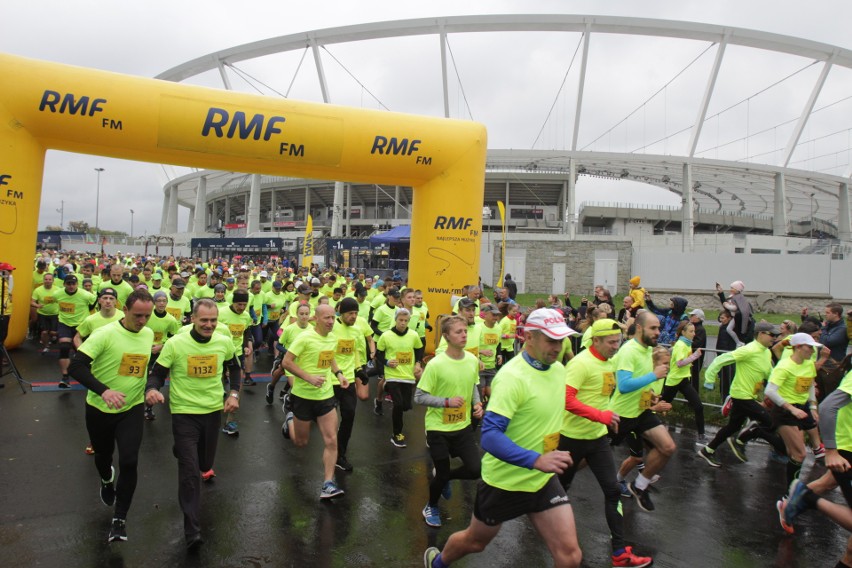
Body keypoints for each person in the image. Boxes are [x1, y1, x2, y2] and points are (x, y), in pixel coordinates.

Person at [423, 308, 582, 568]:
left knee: (570, 555)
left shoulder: (558, 370)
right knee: (475, 542)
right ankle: (438, 562)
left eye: (561, 340)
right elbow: (490, 438)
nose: (558, 347)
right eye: (551, 340)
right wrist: (536, 459)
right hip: (504, 482)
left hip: (542, 480)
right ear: (529, 337)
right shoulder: (511, 378)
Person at [144, 297, 241, 551]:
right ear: (193, 319)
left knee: (205, 464)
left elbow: (234, 366)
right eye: (204, 320)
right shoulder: (176, 344)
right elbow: (157, 373)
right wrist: (152, 389)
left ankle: (181, 450)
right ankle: (192, 529)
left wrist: (234, 393)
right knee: (190, 473)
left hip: (212, 411)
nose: (209, 325)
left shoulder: (223, 341)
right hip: (184, 413)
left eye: (213, 320)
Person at [560, 318, 653, 567]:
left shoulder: (611, 362)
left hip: (597, 438)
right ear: (596, 340)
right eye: (611, 342)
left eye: (618, 341)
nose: (615, 346)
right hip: (571, 438)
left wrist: (609, 415)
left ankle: (619, 552)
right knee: (558, 492)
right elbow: (566, 399)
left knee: (612, 491)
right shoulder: (580, 363)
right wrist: (599, 415)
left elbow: (604, 395)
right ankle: (549, 531)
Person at [67, 289, 155, 543]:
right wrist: (103, 391)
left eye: (147, 316)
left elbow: (141, 366)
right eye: (137, 315)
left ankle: (120, 519)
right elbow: (76, 366)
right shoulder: (104, 334)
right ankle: (107, 480)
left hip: (132, 407)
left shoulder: (148, 334)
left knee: (129, 461)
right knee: (103, 456)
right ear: (124, 310)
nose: (142, 321)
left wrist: (149, 388)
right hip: (99, 408)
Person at [415, 315, 483, 528]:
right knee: (441, 473)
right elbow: (419, 397)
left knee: (476, 470)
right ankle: (431, 506)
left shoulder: (472, 360)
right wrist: (446, 402)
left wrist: (477, 403)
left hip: (462, 426)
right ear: (446, 336)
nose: (464, 335)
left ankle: (445, 478)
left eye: (465, 331)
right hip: (438, 429)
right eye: (458, 332)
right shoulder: (436, 365)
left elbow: (473, 385)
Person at [778, 371, 852, 559]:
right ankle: (807, 498)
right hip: (847, 450)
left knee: (826, 483)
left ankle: (791, 503)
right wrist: (831, 451)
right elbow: (828, 407)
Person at [609, 312, 675, 512]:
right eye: (653, 328)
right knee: (586, 456)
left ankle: (640, 486)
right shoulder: (629, 351)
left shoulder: (648, 350)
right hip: (622, 415)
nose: (658, 332)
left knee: (668, 447)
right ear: (639, 328)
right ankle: (558, 480)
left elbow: (641, 382)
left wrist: (652, 396)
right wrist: (653, 375)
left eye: (658, 328)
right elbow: (624, 386)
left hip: (641, 412)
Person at [281, 304, 348, 499]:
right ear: (315, 319)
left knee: (331, 439)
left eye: (333, 318)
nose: (330, 321)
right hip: (303, 396)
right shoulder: (304, 338)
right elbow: (286, 362)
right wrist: (308, 377)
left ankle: (328, 483)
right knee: (301, 442)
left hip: (325, 396)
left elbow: (330, 357)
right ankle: (290, 419)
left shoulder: (333, 337)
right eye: (326, 318)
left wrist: (339, 373)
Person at [697, 322, 785, 467]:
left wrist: (778, 389)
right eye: (772, 335)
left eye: (776, 335)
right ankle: (742, 438)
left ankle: (708, 450)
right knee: (769, 422)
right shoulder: (749, 350)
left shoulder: (766, 352)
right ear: (761, 334)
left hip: (750, 396)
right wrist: (709, 378)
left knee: (732, 427)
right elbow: (721, 359)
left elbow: (770, 374)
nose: (774, 338)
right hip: (741, 395)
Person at [764, 332, 823, 491]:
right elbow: (770, 391)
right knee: (800, 454)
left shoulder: (809, 363)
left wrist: (812, 407)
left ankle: (790, 490)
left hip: (803, 407)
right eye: (809, 347)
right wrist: (791, 409)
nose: (812, 351)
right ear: (797, 347)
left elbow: (810, 384)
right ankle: (791, 493)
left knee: (793, 453)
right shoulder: (784, 366)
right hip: (785, 410)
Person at [377, 308, 424, 447]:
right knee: (397, 404)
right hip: (392, 374)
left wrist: (417, 363)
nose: (403, 323)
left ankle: (385, 387)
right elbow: (379, 355)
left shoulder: (414, 335)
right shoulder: (386, 336)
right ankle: (396, 434)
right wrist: (387, 362)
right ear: (395, 320)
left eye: (405, 321)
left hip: (408, 375)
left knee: (405, 406)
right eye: (400, 320)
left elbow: (419, 349)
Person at [660, 321, 705, 441]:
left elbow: (684, 362)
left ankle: (701, 434)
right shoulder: (680, 345)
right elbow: (680, 363)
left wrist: (690, 360)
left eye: (694, 331)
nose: (694, 334)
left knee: (698, 406)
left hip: (684, 380)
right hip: (674, 381)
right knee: (660, 406)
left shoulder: (687, 343)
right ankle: (643, 423)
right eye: (691, 331)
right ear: (683, 332)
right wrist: (695, 356)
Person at [53, 274, 97, 387]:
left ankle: (89, 375)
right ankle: (65, 377)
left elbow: (95, 302)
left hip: (81, 325)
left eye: (73, 284)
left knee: (83, 352)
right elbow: (53, 302)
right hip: (64, 323)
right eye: (68, 284)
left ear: (77, 284)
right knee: (64, 347)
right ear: (64, 284)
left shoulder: (85, 295)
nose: (71, 286)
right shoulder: (57, 294)